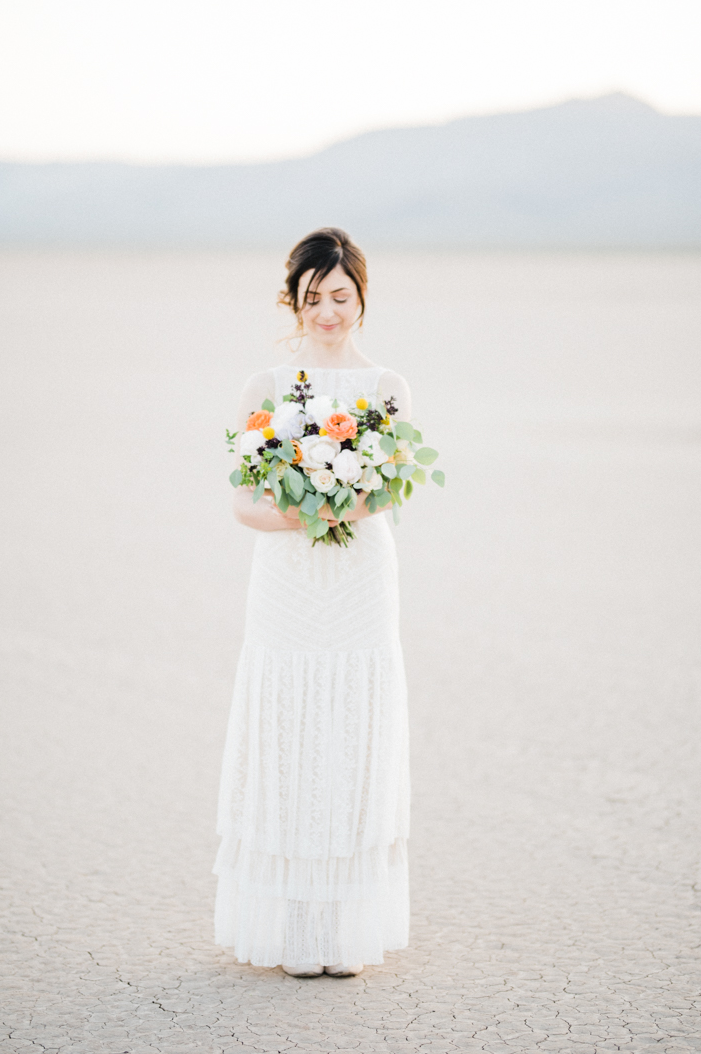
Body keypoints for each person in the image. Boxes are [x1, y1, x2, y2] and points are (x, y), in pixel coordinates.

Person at [213, 227, 412, 977]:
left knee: (352, 731)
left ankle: (347, 927)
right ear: (292, 302)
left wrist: (342, 505)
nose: (327, 311)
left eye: (340, 295)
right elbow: (242, 502)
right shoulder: (267, 387)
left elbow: (389, 487)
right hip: (287, 581)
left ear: (361, 296)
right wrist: (309, 513)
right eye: (311, 298)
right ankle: (296, 929)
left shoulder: (388, 386)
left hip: (361, 577)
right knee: (292, 728)